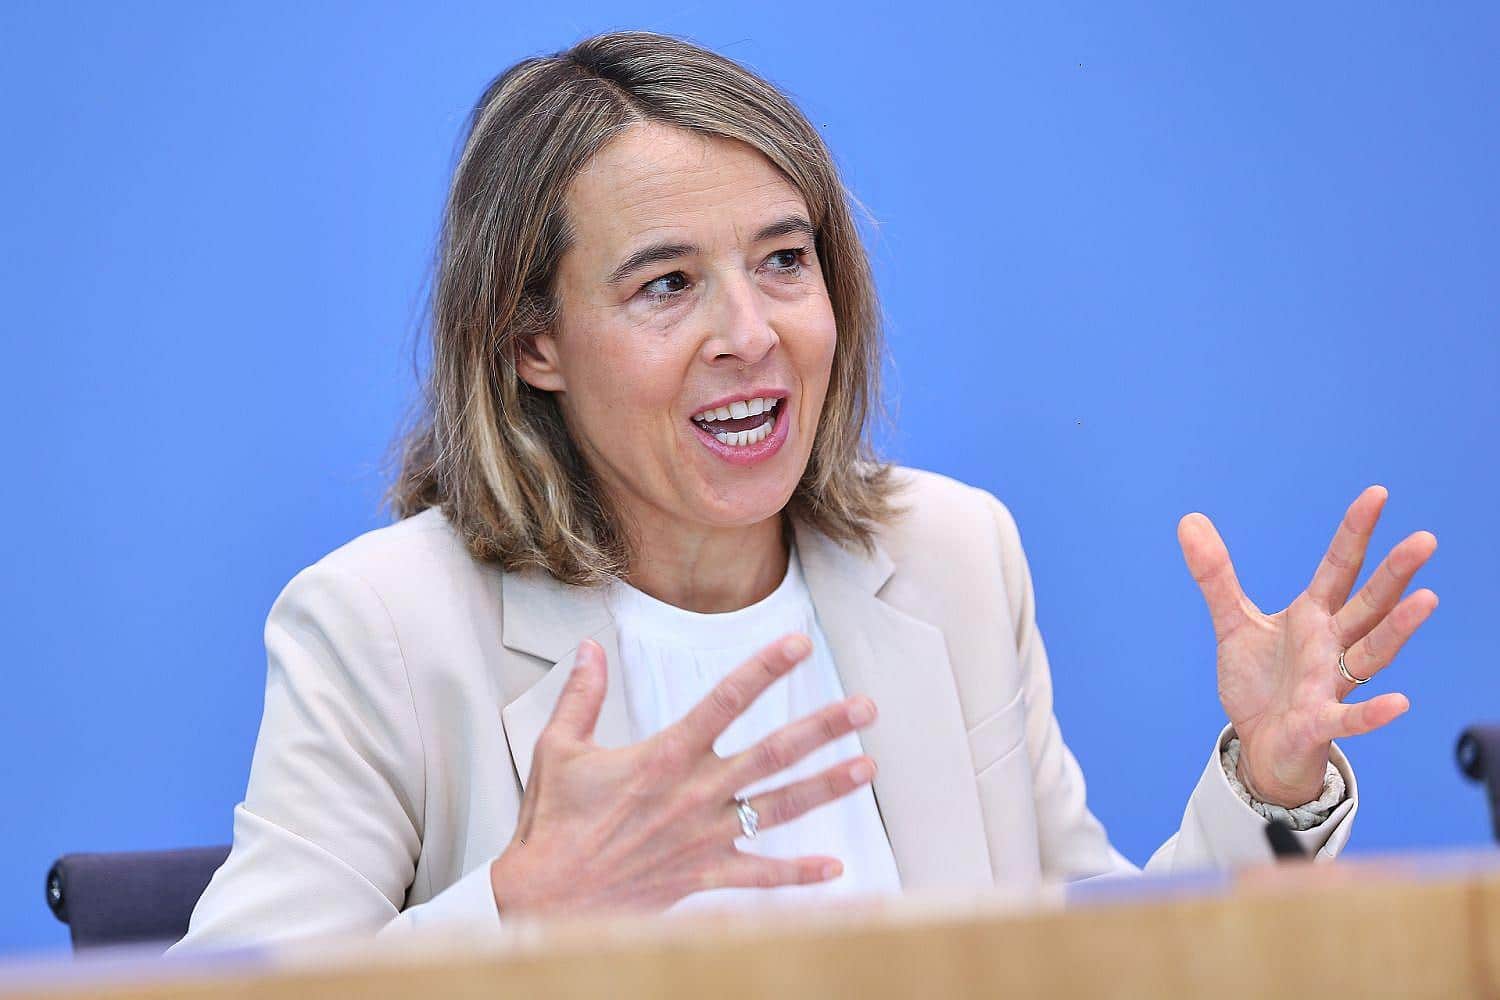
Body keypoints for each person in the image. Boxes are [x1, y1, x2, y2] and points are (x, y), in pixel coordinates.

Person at [170, 29, 1438, 950]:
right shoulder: (389, 626)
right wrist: (517, 909)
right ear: (530, 340)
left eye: (784, 261)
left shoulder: (950, 556)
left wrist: (1267, 784)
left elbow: (1080, 953)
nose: (751, 333)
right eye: (667, 284)